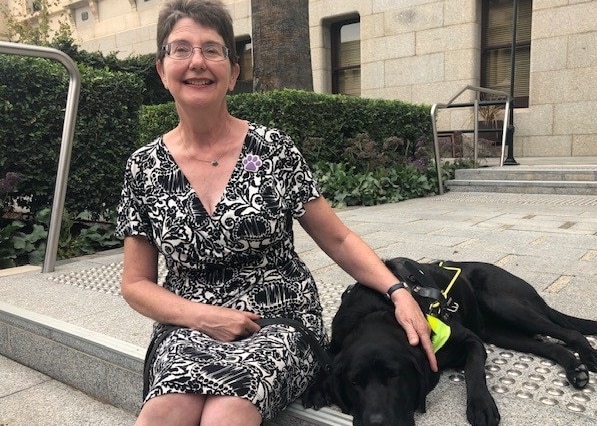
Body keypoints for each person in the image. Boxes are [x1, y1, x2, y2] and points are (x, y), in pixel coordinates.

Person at [116, 0, 437, 424]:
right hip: (189, 322)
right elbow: (136, 283)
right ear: (162, 69)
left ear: (233, 73)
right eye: (181, 49)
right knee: (163, 412)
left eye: (213, 50)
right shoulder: (144, 167)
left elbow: (338, 238)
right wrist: (203, 316)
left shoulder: (272, 150)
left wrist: (399, 292)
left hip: (279, 316)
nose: (197, 62)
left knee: (227, 414)